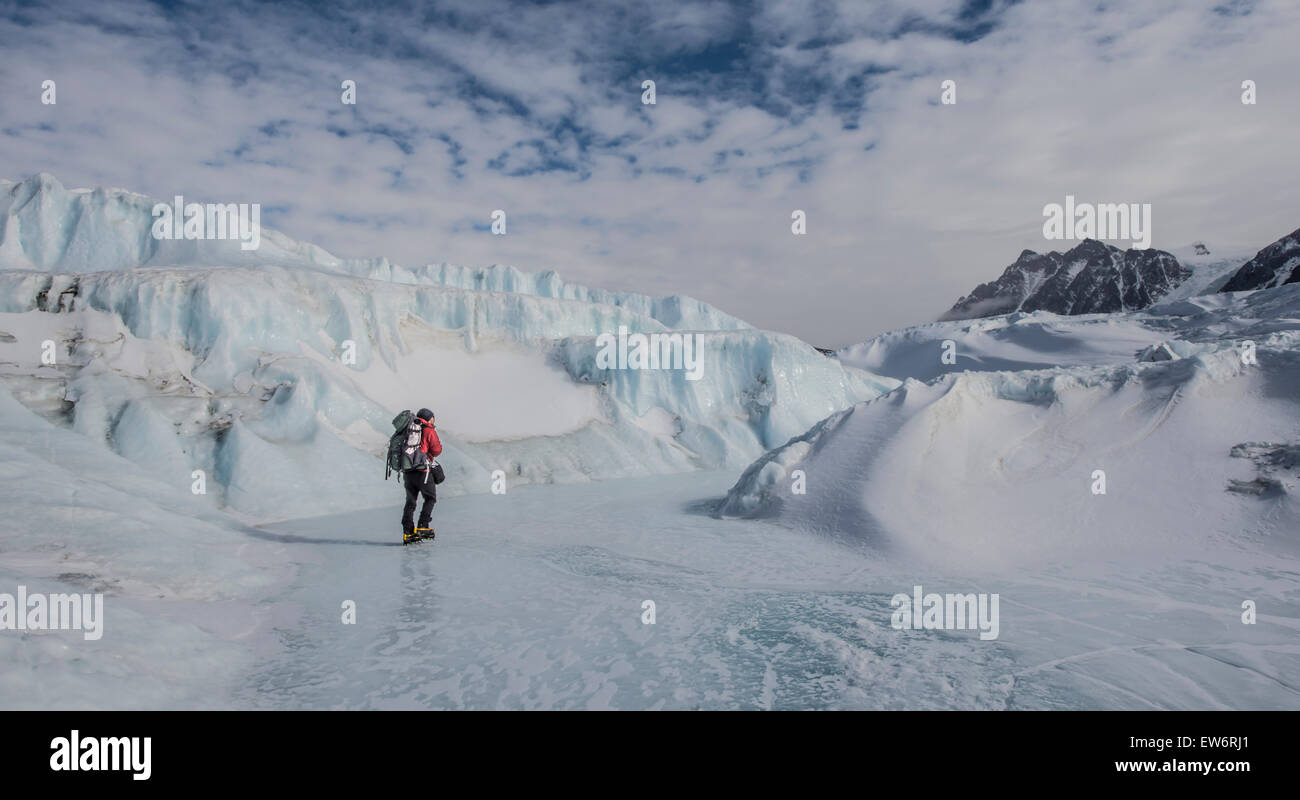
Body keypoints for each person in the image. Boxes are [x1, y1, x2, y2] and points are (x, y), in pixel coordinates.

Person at [401, 408, 442, 541]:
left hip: (408, 471)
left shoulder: (409, 428)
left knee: (411, 501)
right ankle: (423, 525)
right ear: (429, 418)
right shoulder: (429, 430)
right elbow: (436, 450)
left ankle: (408, 531)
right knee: (430, 498)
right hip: (423, 471)